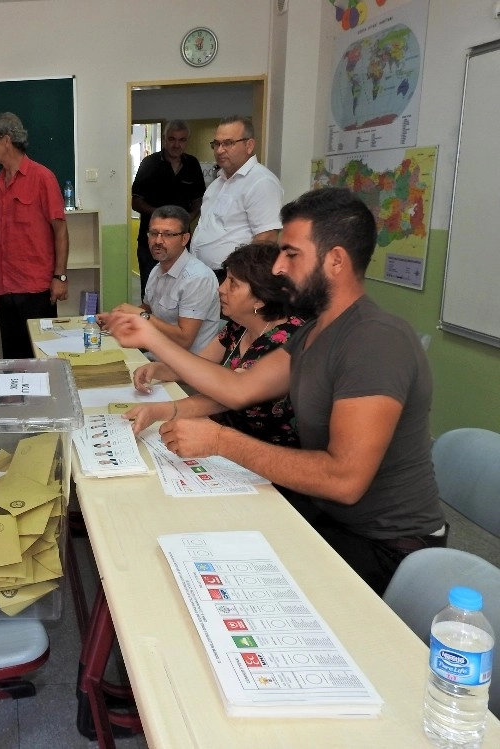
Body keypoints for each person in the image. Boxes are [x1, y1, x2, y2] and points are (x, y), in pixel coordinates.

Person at [107, 188, 446, 596]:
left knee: (216, 579)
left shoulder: (375, 340)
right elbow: (238, 388)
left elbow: (344, 479)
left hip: (385, 545)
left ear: (335, 261)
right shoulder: (312, 333)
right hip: (324, 513)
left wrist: (221, 440)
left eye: (291, 254)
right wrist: (151, 336)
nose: (280, 268)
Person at [126, 241, 304, 450]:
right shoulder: (240, 325)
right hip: (224, 440)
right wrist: (159, 369)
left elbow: (225, 397)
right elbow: (200, 366)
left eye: (233, 283)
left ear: (260, 299)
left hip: (264, 455)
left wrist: (160, 410)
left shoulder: (286, 341)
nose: (221, 288)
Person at [0, 112, 68, 358]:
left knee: (43, 361)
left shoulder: (42, 178)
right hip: (5, 291)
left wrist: (59, 276)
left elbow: (60, 229)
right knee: (13, 363)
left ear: (6, 140)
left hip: (36, 291)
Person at [100, 205, 219, 353]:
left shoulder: (198, 278)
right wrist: (116, 319)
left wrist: (140, 315)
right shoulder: (157, 270)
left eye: (168, 235)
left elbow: (184, 339)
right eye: (154, 233)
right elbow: (148, 308)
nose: (158, 241)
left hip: (186, 366)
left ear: (184, 239)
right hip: (157, 354)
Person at [190, 115, 283, 281]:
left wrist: (241, 280)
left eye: (228, 143)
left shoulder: (261, 182)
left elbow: (266, 239)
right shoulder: (217, 184)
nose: (219, 150)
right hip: (202, 275)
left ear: (249, 145)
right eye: (216, 144)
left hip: (233, 277)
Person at [131, 119, 207, 296]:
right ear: (165, 140)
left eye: (182, 140)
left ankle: (175, 323)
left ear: (186, 141)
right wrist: (160, 217)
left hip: (180, 240)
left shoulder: (192, 165)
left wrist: (186, 218)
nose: (176, 144)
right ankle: (149, 322)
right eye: (172, 139)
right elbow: (135, 201)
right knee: (150, 291)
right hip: (150, 242)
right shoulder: (149, 163)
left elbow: (199, 200)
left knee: (180, 287)